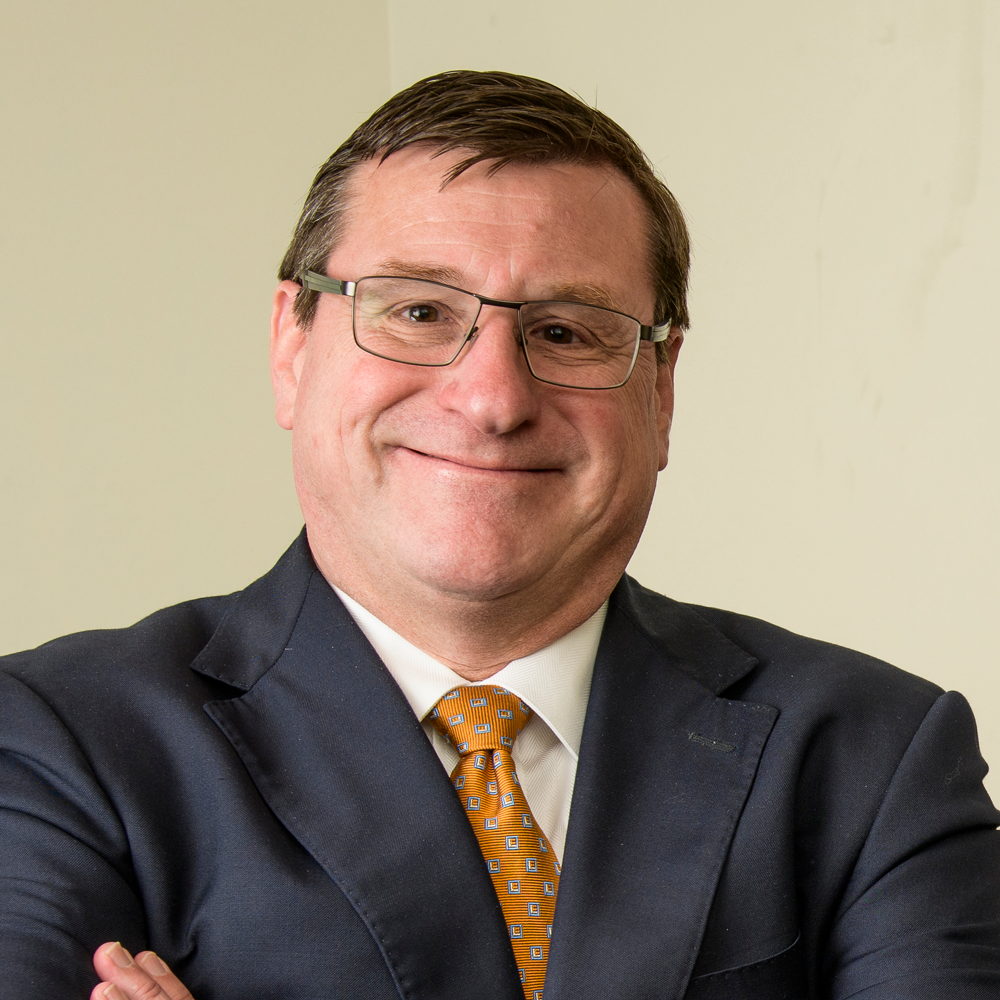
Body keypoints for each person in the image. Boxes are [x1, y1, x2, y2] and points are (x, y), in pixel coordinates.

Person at [2, 70, 998, 1000]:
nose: (491, 397)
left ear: (660, 385)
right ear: (291, 346)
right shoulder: (57, 743)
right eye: (420, 310)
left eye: (568, 329)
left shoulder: (878, 759)